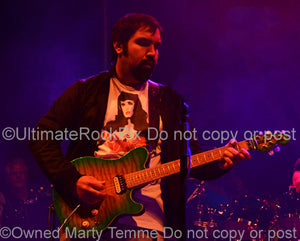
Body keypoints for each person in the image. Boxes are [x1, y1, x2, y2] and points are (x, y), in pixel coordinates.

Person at [29, 13, 250, 240]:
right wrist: (71, 181)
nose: (152, 53)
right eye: (143, 43)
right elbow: (42, 137)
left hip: (147, 226)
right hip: (85, 217)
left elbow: (190, 163)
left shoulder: (170, 103)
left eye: (157, 47)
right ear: (118, 45)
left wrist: (222, 163)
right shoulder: (86, 92)